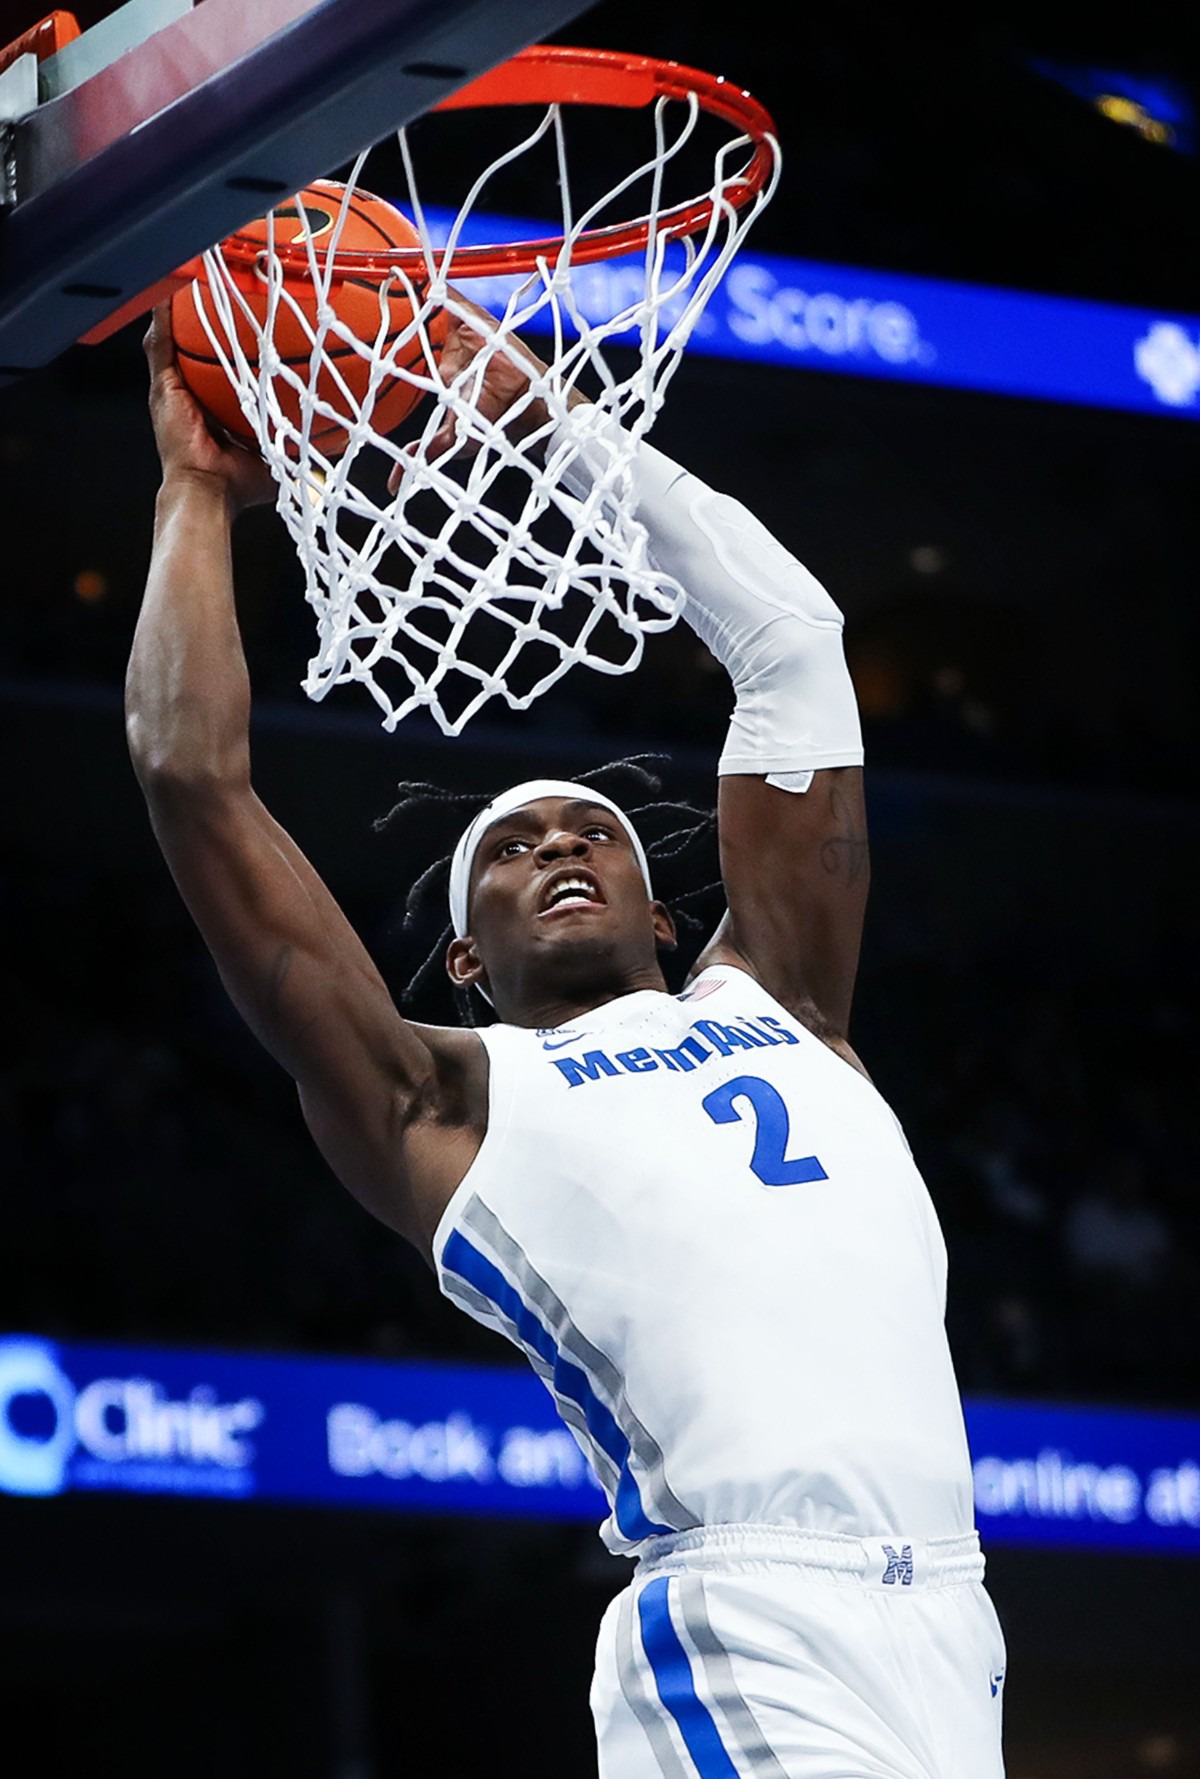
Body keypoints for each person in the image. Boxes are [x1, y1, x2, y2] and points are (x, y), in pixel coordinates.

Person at [129, 302, 1006, 1779]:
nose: (563, 844)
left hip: (954, 1615)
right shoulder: (446, 1098)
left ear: (669, 918)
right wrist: (196, 493)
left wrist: (547, 418)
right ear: (469, 954)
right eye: (515, 847)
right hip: (743, 1617)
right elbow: (189, 774)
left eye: (594, 828)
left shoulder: (781, 1000)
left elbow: (793, 642)